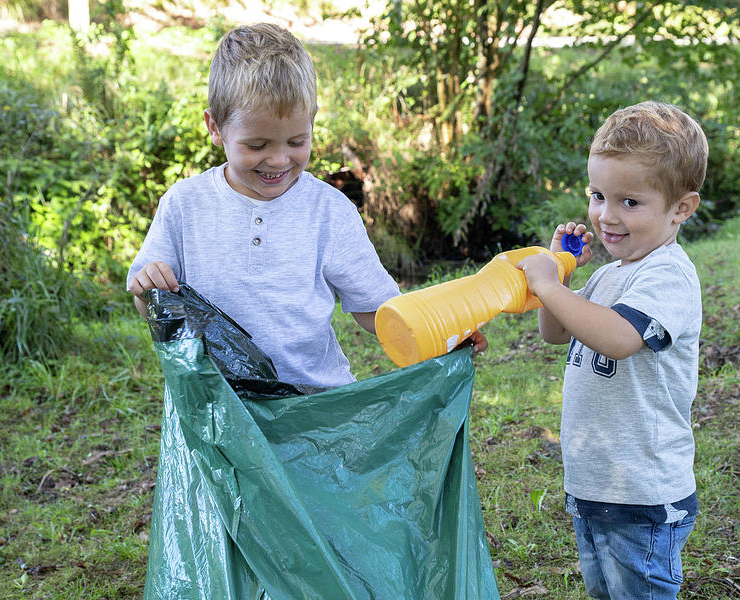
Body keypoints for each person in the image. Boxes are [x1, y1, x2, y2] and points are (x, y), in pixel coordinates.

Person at [127, 23, 483, 389]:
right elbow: (152, 305)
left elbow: (376, 309)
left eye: (297, 141)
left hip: (314, 410)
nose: (279, 160)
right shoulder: (185, 206)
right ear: (215, 128)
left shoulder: (329, 212)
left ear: (312, 122)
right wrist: (148, 285)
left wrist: (438, 336)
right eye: (257, 145)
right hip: (220, 410)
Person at [516, 101, 707, 599]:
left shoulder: (667, 275)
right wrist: (559, 276)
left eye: (630, 202)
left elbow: (619, 339)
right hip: (597, 483)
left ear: (681, 208)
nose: (606, 215)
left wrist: (548, 287)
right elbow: (556, 334)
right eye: (598, 195)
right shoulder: (610, 274)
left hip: (641, 491)